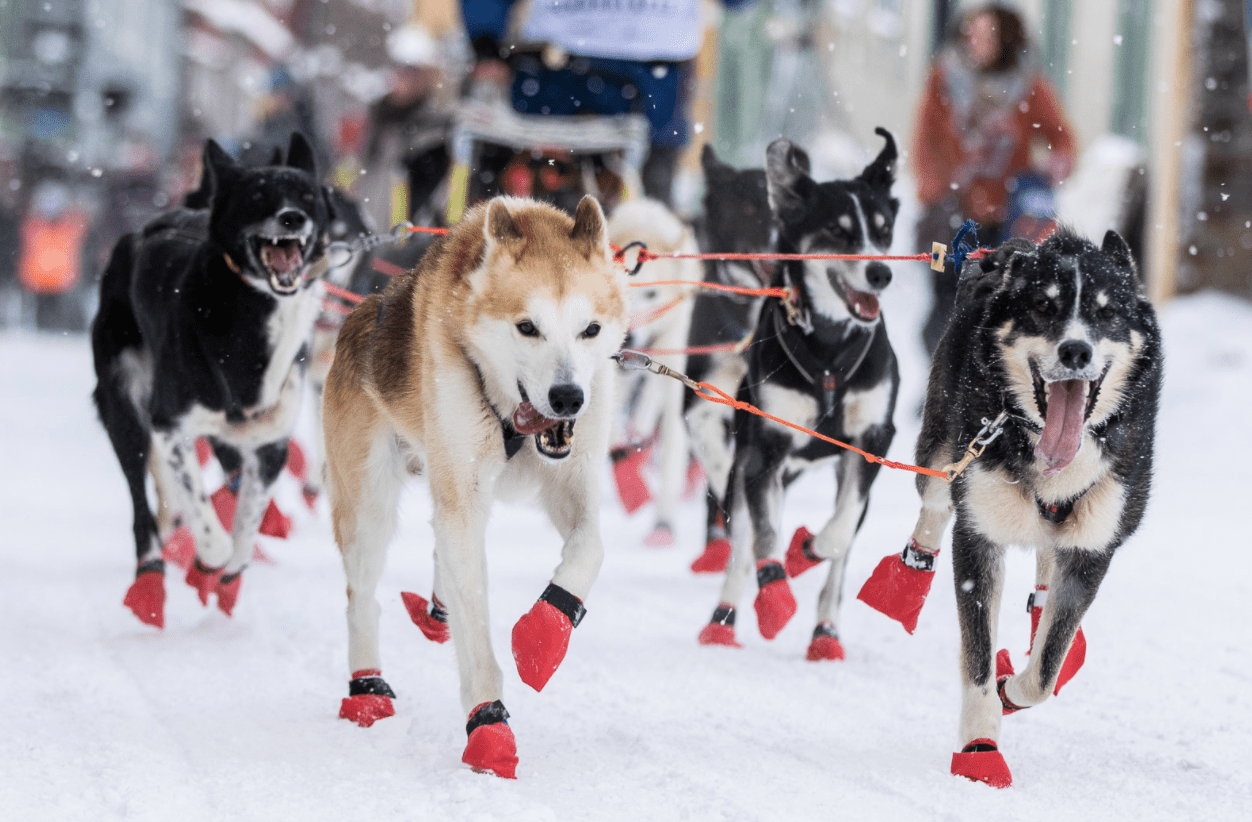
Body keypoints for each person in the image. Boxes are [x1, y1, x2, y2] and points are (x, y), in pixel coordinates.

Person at [460, 0, 749, 206]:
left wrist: (486, 40)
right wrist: (486, 43)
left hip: (649, 85)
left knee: (646, 220)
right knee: (517, 208)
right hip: (556, 79)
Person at [913, 3, 1077, 354]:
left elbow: (1063, 139)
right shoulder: (943, 80)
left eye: (988, 35)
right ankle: (941, 377)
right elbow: (925, 144)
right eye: (972, 33)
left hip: (1006, 222)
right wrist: (943, 189)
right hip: (948, 218)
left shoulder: (1028, 87)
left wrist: (1053, 165)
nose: (977, 42)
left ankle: (980, 387)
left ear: (1006, 40)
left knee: (993, 306)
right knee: (944, 299)